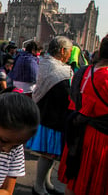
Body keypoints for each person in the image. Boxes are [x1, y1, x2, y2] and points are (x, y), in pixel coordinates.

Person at [58, 34, 108, 195]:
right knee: (92, 183)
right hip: (99, 139)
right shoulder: (105, 76)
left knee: (75, 180)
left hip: (82, 132)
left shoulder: (86, 71)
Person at [25, 36, 73, 195]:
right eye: (69, 52)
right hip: (51, 116)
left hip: (49, 113)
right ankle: (39, 187)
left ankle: (47, 183)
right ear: (62, 51)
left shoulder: (46, 62)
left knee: (50, 154)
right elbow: (65, 93)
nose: (69, 55)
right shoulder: (60, 70)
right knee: (47, 154)